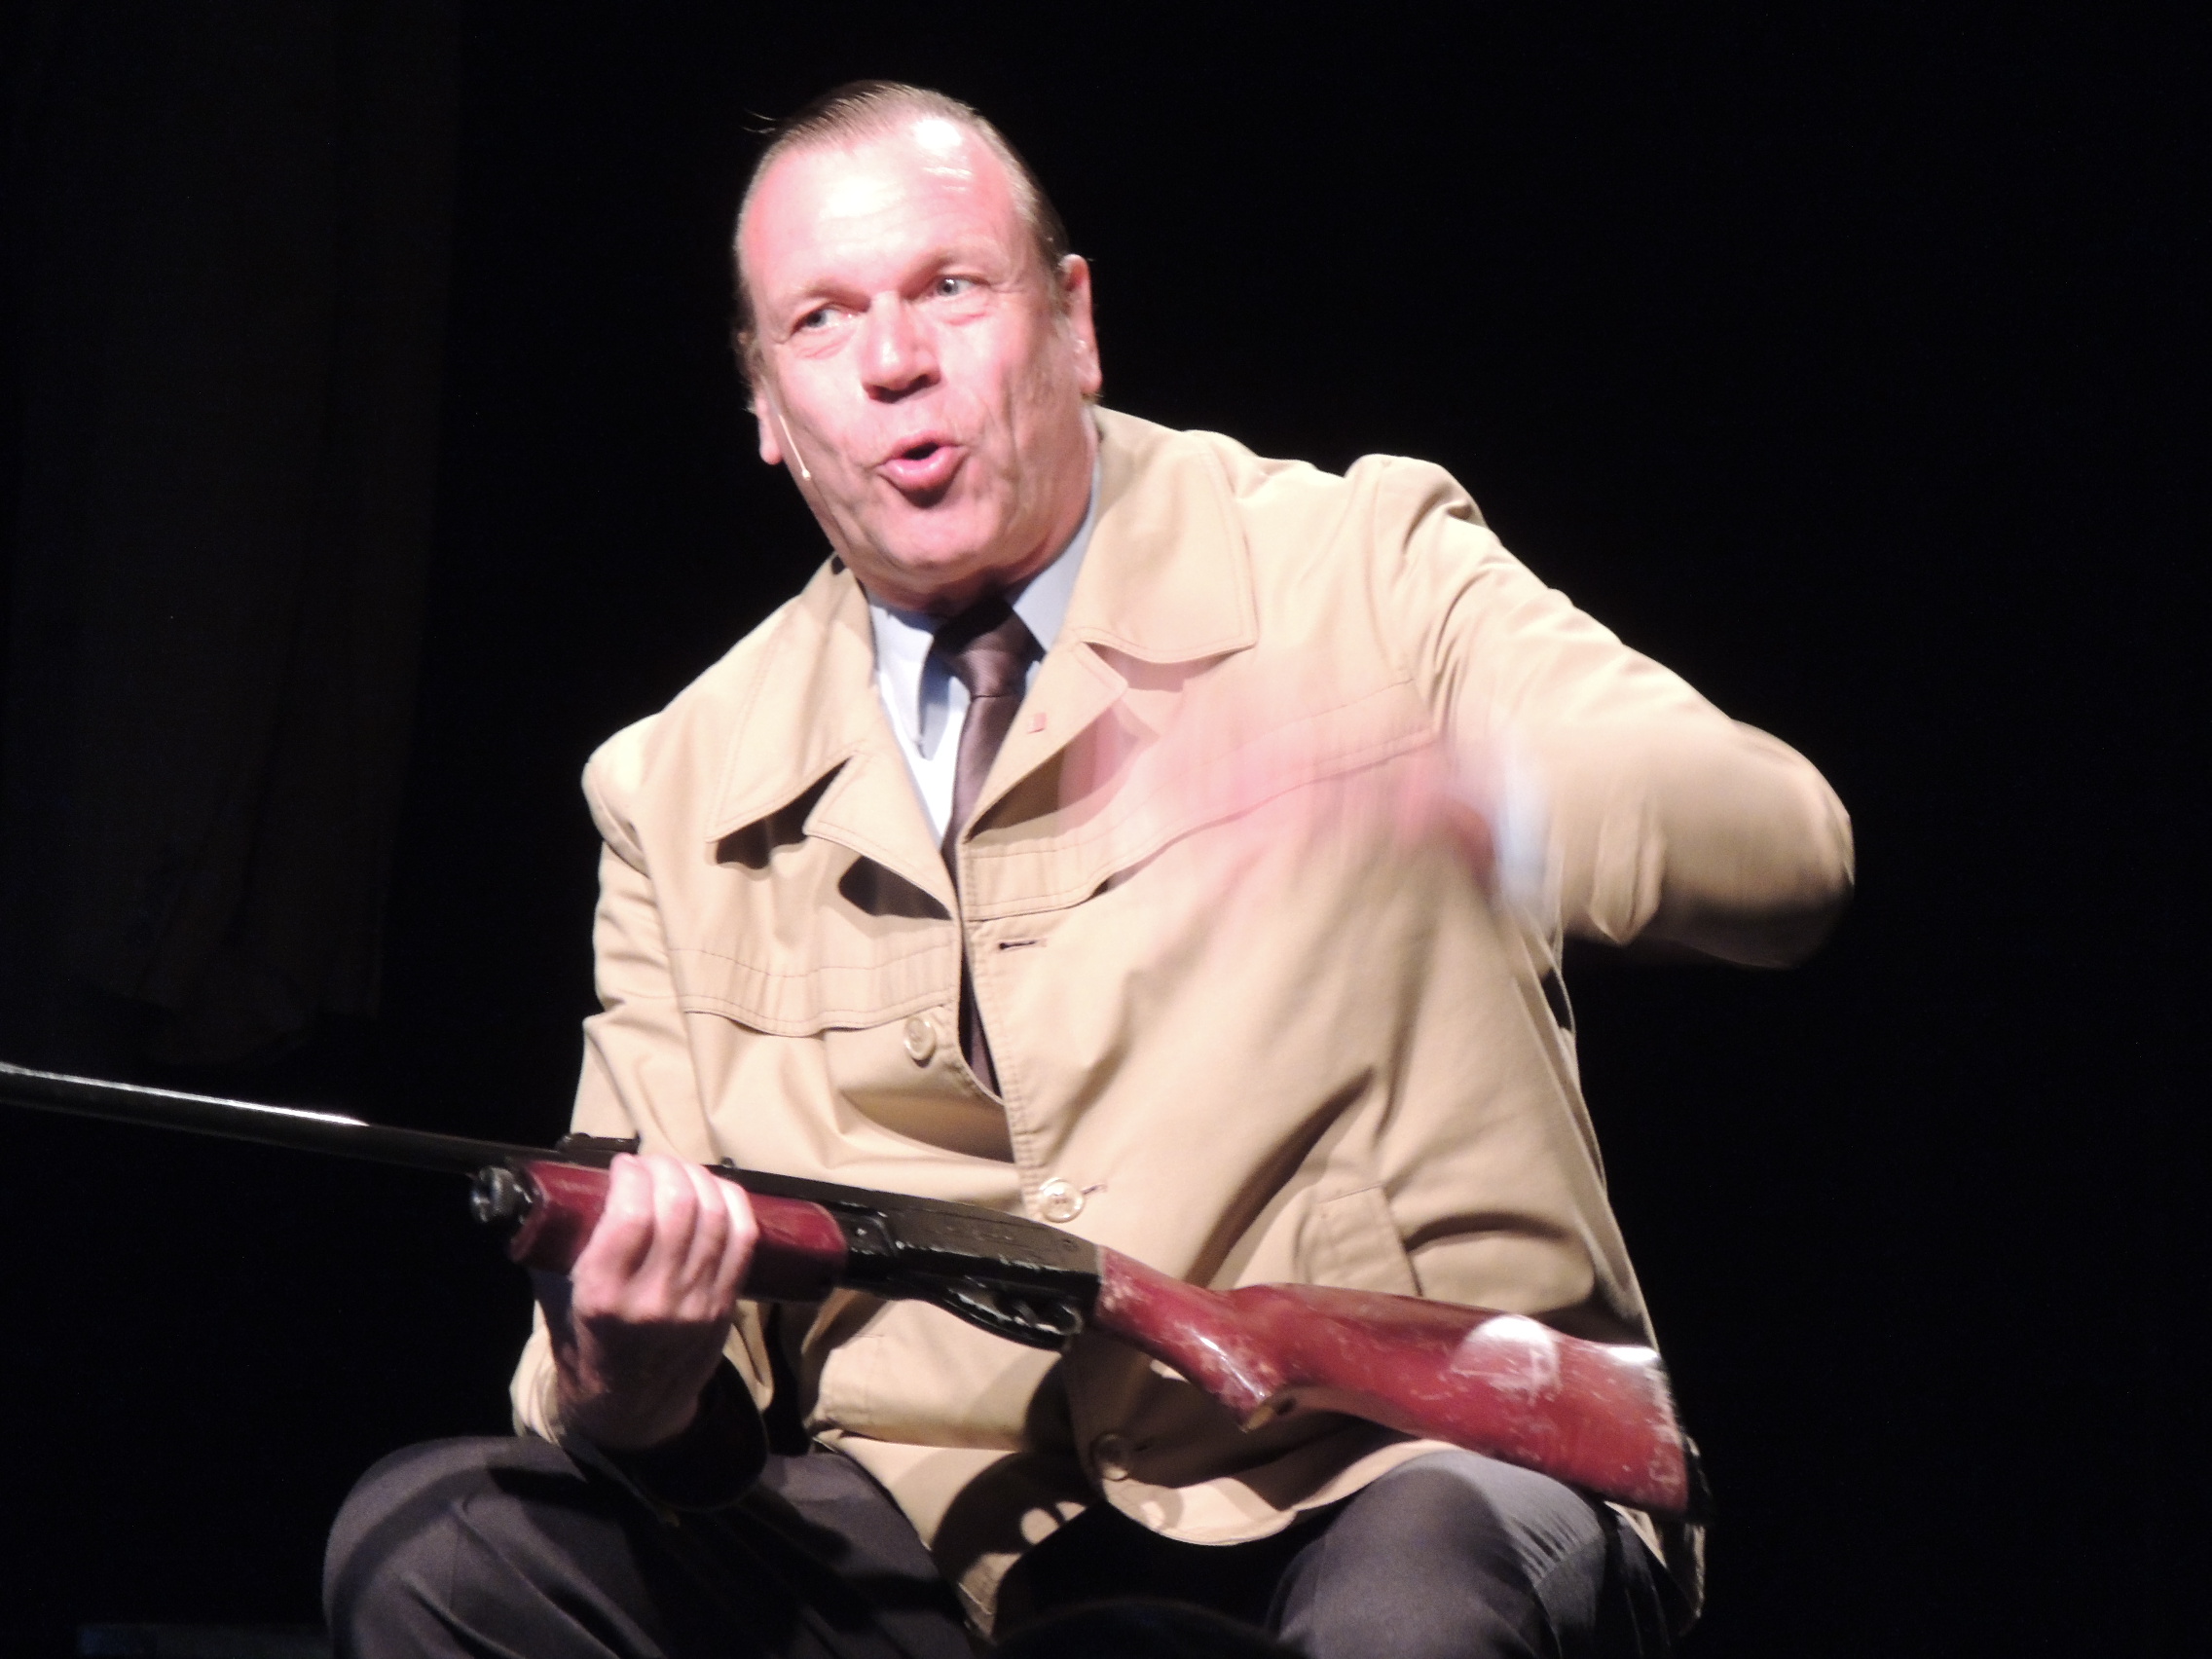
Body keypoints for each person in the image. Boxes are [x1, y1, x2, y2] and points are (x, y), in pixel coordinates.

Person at [325, 82, 1852, 1659]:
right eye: (822, 321)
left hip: (1393, 1468)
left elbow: (1784, 849)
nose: (893, 361)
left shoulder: (1363, 563)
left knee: (1410, 1613)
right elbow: (627, 1331)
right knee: (436, 1550)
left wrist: (1449, 800)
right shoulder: (677, 782)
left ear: (1074, 324)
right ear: (768, 407)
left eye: (949, 288)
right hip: (947, 1545)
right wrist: (632, 1392)